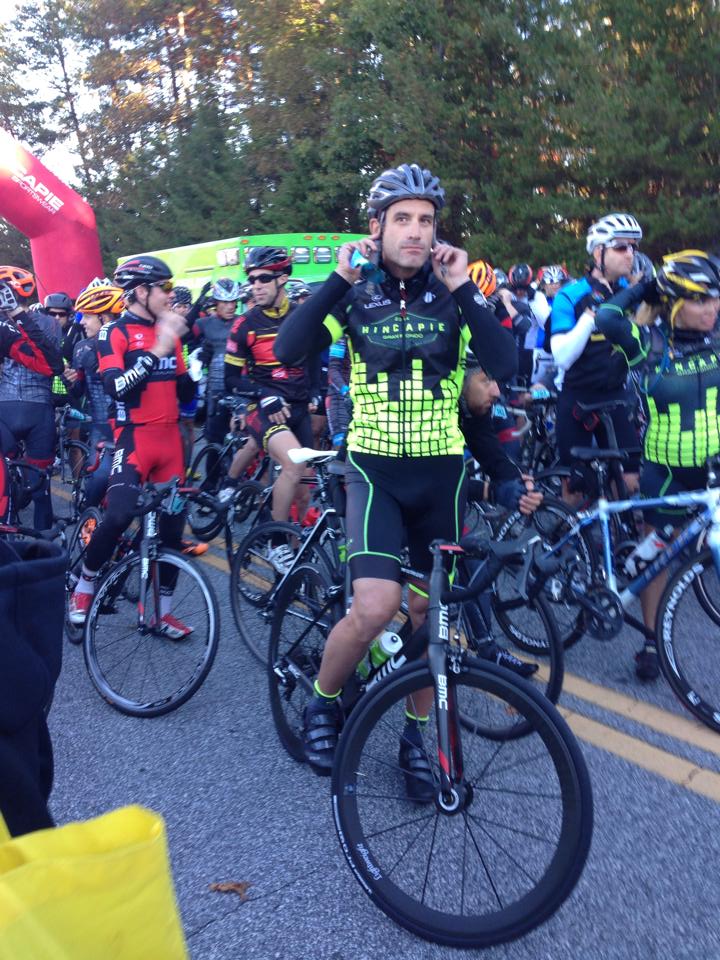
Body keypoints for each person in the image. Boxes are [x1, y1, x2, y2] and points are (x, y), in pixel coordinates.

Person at [274, 162, 517, 795]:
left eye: (426, 220)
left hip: (442, 475)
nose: (415, 232)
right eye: (401, 219)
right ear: (376, 226)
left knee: (426, 617)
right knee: (376, 606)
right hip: (376, 470)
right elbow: (287, 349)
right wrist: (336, 279)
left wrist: (464, 287)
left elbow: (504, 363)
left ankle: (414, 738)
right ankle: (323, 701)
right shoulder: (354, 295)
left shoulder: (453, 296)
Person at [595, 250, 720, 680]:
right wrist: (648, 286)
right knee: (656, 563)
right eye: (702, 300)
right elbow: (608, 316)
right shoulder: (648, 343)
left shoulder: (718, 336)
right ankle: (650, 640)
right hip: (664, 471)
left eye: (715, 298)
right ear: (678, 302)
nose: (713, 308)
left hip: (710, 468)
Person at [67, 256, 197, 636]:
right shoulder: (115, 333)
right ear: (141, 291)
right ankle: (85, 585)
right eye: (164, 288)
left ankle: (161, 612)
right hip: (134, 437)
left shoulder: (166, 329)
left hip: (171, 440)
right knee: (120, 514)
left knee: (172, 530)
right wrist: (158, 348)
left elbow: (187, 393)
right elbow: (116, 387)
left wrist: (184, 358)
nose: (170, 295)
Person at [224, 248, 317, 553]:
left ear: (283, 278)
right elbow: (231, 379)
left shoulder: (302, 317)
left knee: (304, 495)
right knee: (292, 463)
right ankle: (276, 542)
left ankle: (292, 565)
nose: (256, 285)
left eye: (264, 278)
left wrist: (319, 391)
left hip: (300, 409)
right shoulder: (244, 323)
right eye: (252, 280)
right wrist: (264, 395)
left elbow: (315, 358)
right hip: (262, 410)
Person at [550, 213, 643, 501]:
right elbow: (562, 357)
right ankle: (575, 544)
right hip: (577, 398)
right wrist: (592, 318)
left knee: (629, 483)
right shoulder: (571, 295)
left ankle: (619, 541)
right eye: (621, 247)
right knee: (575, 488)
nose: (630, 254)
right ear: (598, 251)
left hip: (616, 396)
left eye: (633, 247)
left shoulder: (630, 293)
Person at [0, 270, 67, 528]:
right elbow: (54, 364)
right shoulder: (50, 323)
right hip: (39, 409)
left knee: (3, 488)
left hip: (5, 408)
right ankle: (47, 556)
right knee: (41, 491)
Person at [69, 284, 124, 506]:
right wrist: (68, 379)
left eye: (87, 316)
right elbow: (78, 391)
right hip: (101, 429)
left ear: (102, 317)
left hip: (124, 425)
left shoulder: (123, 342)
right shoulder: (81, 346)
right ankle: (89, 521)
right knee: (99, 480)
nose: (82, 322)